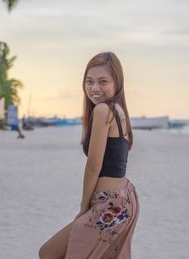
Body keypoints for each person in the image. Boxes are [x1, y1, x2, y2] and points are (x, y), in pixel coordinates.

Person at [39, 51, 140, 259]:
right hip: (125, 197)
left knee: (48, 253)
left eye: (103, 81)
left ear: (116, 82)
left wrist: (84, 205)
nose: (94, 88)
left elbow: (94, 165)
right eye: (89, 81)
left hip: (109, 204)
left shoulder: (104, 110)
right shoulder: (120, 111)